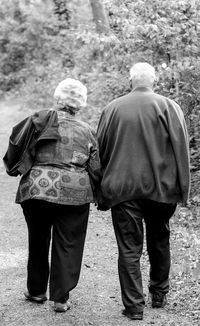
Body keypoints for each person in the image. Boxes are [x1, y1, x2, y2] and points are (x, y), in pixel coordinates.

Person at [97, 62, 190, 321]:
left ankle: (134, 307)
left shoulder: (112, 108)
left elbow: (100, 150)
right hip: (162, 188)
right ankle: (159, 294)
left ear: (130, 81)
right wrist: (184, 190)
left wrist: (101, 190)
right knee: (160, 240)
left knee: (129, 248)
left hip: (123, 189)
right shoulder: (169, 107)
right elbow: (181, 151)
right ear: (155, 81)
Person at [4, 78, 101, 312]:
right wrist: (99, 193)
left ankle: (36, 291)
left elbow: (15, 145)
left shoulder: (38, 119)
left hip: (37, 188)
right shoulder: (88, 131)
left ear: (57, 98)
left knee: (38, 239)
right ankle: (60, 298)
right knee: (68, 243)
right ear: (81, 104)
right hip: (74, 193)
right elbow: (95, 167)